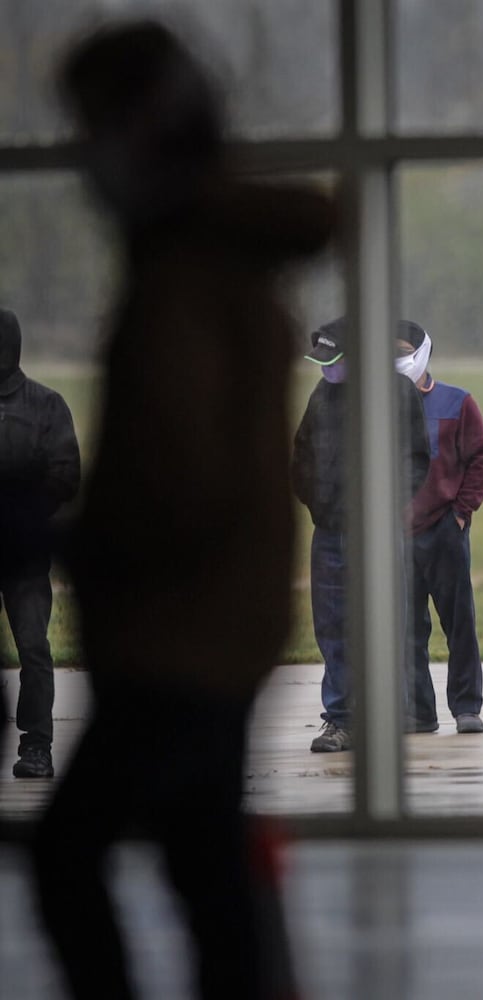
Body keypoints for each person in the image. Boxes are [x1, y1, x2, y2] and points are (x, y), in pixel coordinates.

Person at [35, 21, 334, 999]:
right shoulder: (220, 267)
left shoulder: (180, 279)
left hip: (174, 634)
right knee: (204, 866)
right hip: (216, 624)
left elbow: (174, 480)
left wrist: (57, 536)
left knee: (71, 855)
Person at [293, 317, 430, 752]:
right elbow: (301, 456)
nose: (325, 369)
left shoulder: (397, 394)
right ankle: (341, 719)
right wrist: (319, 506)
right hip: (330, 533)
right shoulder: (322, 396)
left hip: (378, 531)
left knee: (385, 622)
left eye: (331, 360)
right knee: (333, 627)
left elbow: (416, 459)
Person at [396, 320, 483, 735]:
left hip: (443, 530)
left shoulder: (457, 402)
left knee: (459, 623)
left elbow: (482, 461)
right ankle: (419, 712)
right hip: (396, 538)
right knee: (406, 629)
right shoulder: (375, 409)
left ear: (422, 353)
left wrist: (460, 512)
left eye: (401, 350)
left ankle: (467, 708)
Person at [0, 308, 81, 778]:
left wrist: (22, 515)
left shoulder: (46, 405)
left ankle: (36, 746)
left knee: (32, 648)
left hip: (26, 555)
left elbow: (66, 474)